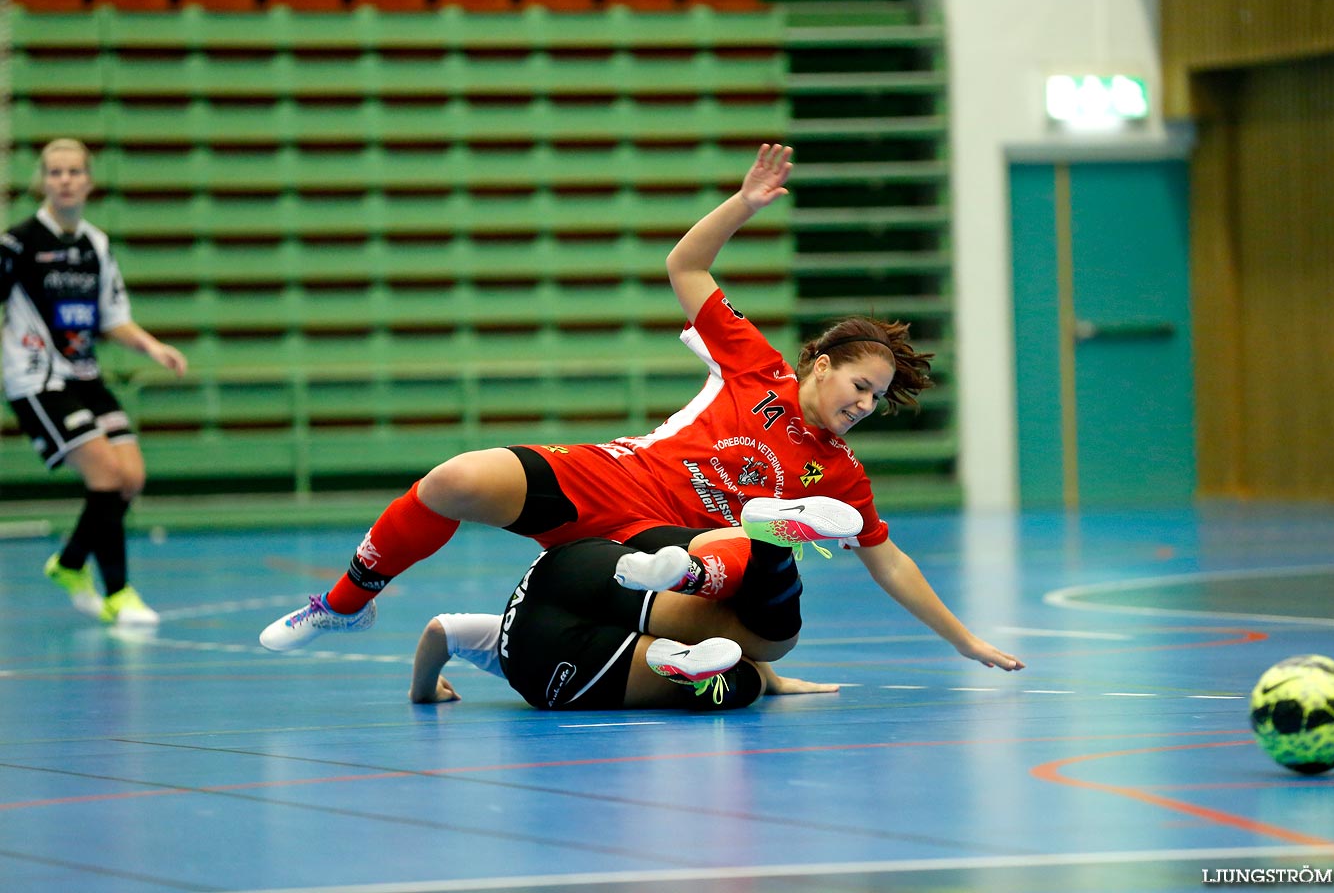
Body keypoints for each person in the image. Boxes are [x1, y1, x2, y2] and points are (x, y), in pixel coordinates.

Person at [262, 144, 1024, 674]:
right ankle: (345, 603)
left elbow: (888, 559)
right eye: (859, 385)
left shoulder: (838, 473)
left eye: (878, 400)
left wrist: (963, 641)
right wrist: (744, 203)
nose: (865, 404)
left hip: (677, 538)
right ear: (819, 366)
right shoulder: (751, 364)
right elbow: (685, 265)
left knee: (745, 541)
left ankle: (682, 609)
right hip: (616, 478)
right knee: (454, 480)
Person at [2, 138, 188, 626]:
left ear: (88, 180)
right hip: (38, 378)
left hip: (85, 374)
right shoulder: (19, 243)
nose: (64, 180)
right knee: (105, 476)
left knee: (130, 478)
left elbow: (111, 318)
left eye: (73, 172)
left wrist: (153, 346)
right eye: (55, 172)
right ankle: (119, 593)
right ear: (42, 181)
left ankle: (68, 564)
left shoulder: (95, 245)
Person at [410, 526, 839, 711]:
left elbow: (435, 631)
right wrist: (776, 679)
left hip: (542, 661)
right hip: (567, 563)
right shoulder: (499, 624)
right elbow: (441, 630)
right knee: (767, 642)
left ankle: (675, 665)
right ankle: (726, 561)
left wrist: (424, 694)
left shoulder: (511, 651)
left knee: (742, 682)